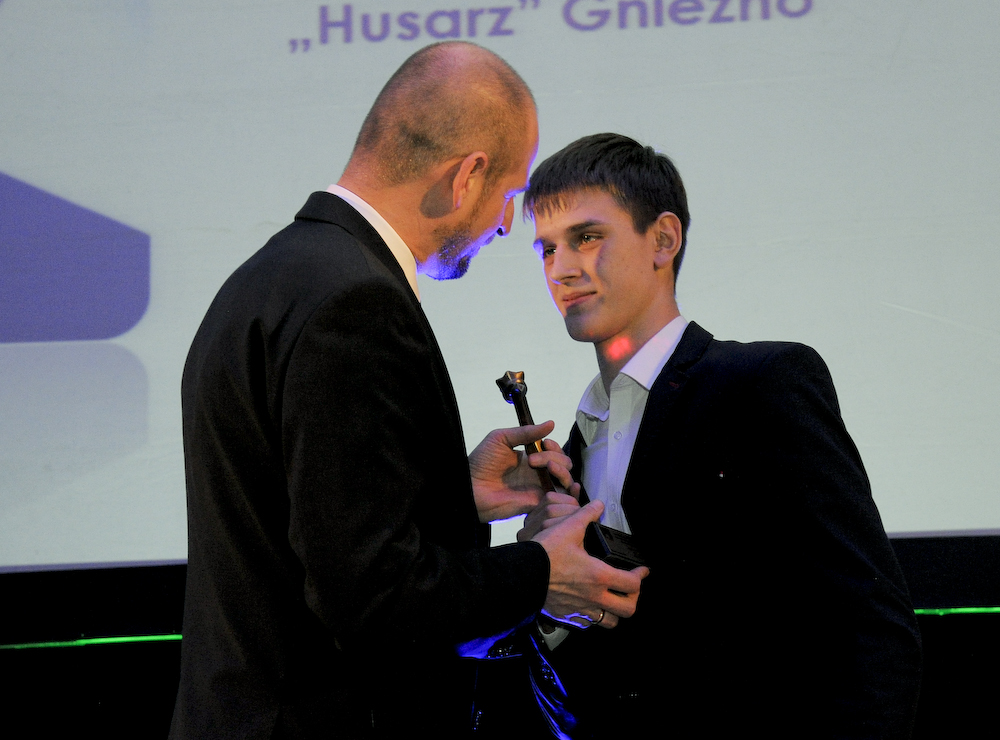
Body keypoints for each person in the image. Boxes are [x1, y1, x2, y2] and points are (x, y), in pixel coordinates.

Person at [169, 48, 647, 739]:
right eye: (508, 196)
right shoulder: (354, 303)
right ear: (466, 177)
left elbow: (306, 524)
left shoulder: (271, 277)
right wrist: (541, 572)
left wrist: (450, 495)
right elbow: (374, 599)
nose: (504, 225)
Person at [512, 133, 923, 738]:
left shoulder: (760, 382)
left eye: (587, 237)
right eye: (547, 249)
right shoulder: (575, 445)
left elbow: (871, 623)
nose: (561, 268)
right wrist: (542, 585)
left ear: (663, 239)